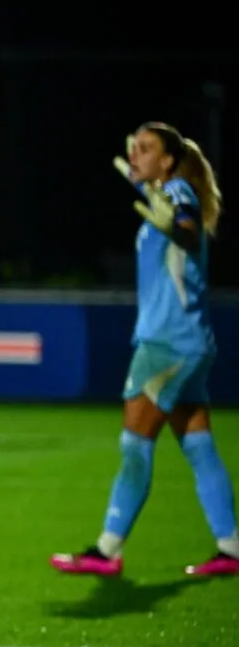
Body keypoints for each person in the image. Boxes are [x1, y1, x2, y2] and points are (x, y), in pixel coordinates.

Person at [52, 124, 237, 578]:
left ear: (169, 160)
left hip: (166, 345)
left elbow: (189, 232)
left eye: (146, 148)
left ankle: (107, 549)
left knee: (135, 444)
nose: (135, 154)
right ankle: (231, 548)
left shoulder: (175, 192)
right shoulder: (167, 194)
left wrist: (173, 223)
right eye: (132, 147)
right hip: (189, 342)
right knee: (198, 446)